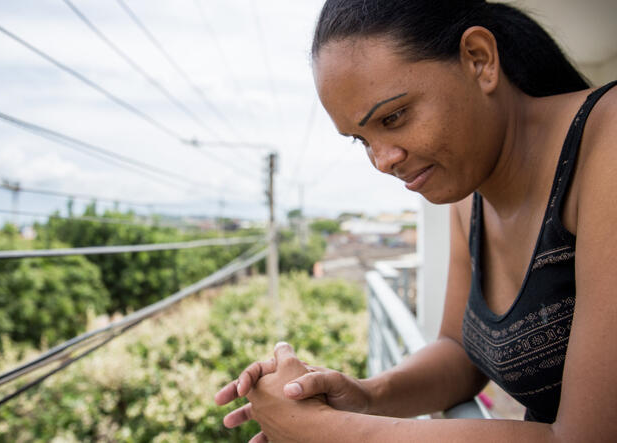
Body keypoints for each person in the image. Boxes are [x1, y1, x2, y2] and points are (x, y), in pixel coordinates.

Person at [215, 0, 617, 441]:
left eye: (394, 117)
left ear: (479, 60)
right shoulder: (469, 192)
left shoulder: (607, 141)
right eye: (360, 140)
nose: (383, 161)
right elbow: (460, 354)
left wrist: (326, 431)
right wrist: (362, 397)